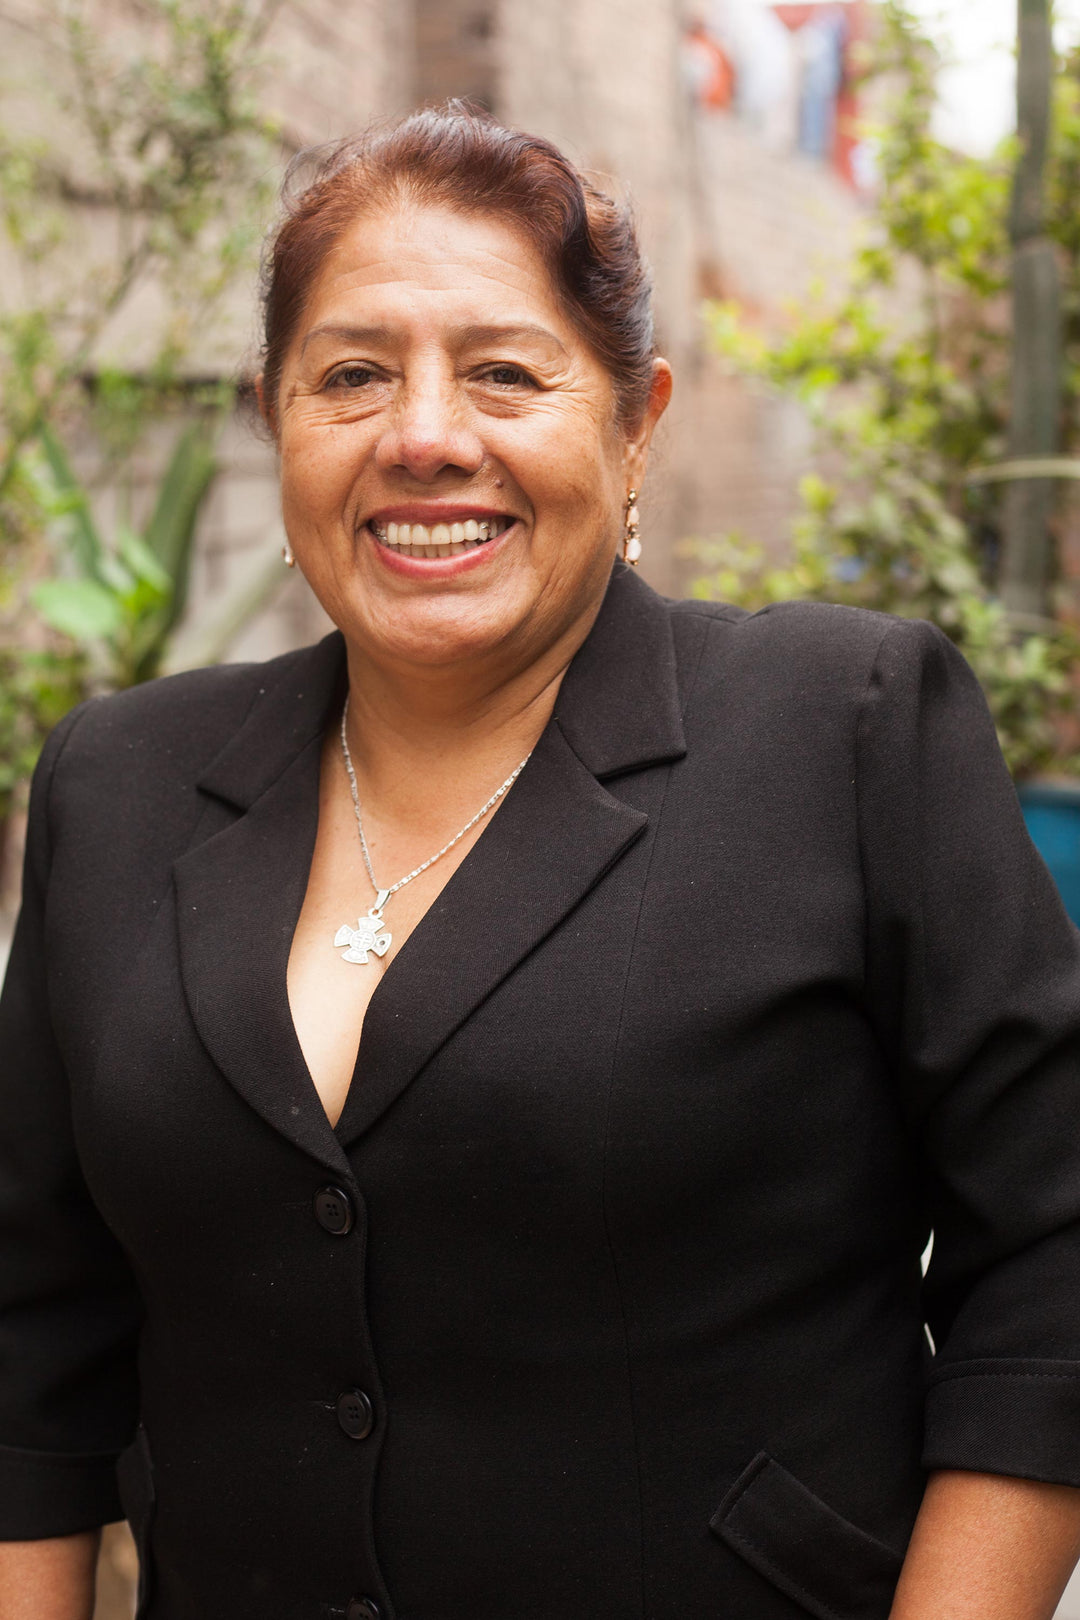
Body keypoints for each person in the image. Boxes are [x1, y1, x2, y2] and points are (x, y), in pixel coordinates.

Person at [1, 105, 1080, 1620]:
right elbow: (33, 1333)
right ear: (276, 418)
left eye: (505, 372)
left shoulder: (842, 731)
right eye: (352, 375)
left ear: (637, 420)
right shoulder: (121, 785)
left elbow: (1051, 1258)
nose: (424, 435)